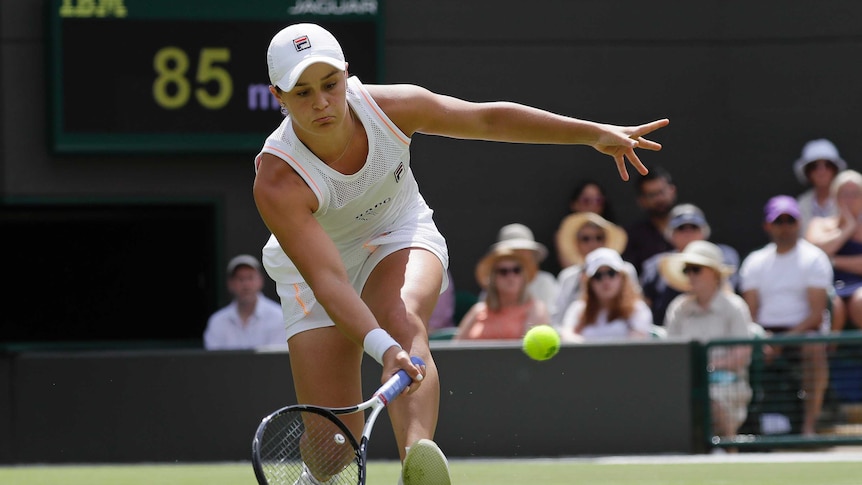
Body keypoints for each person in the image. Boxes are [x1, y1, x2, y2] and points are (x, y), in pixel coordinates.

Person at [252, 22, 668, 484]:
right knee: (332, 456)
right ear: (278, 97)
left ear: (348, 75)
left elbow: (486, 119)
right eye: (302, 92)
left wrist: (590, 133)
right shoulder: (277, 180)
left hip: (397, 232)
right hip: (313, 274)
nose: (322, 102)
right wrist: (381, 349)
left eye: (330, 84)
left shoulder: (391, 108)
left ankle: (419, 465)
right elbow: (328, 280)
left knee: (401, 317)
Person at [740, 195, 833, 436]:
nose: (784, 226)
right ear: (767, 226)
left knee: (814, 349)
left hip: (802, 334)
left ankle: (808, 427)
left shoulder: (814, 259)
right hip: (764, 334)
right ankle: (744, 427)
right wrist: (764, 339)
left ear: (799, 223)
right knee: (739, 352)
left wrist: (782, 342)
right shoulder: (754, 261)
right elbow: (750, 314)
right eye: (778, 221)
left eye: (789, 220)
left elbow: (816, 315)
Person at [660, 240, 755, 449]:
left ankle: (730, 453)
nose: (691, 275)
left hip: (729, 386)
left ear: (714, 274)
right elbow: (671, 355)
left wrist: (708, 368)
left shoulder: (735, 307)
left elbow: (741, 355)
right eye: (687, 270)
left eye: (696, 269)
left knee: (710, 401)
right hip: (686, 384)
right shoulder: (678, 309)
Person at [640, 203, 740, 326]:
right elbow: (645, 307)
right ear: (670, 235)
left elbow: (729, 294)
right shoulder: (656, 265)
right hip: (668, 332)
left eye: (694, 227)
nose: (688, 232)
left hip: (715, 328)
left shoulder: (723, 255)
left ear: (704, 232)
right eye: (681, 228)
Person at [551, 212, 634, 325]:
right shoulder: (568, 277)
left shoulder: (626, 270)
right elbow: (558, 320)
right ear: (577, 243)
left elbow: (635, 309)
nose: (593, 243)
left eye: (599, 237)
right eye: (586, 239)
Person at [558, 247, 653, 342]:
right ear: (589, 282)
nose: (606, 281)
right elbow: (567, 335)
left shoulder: (637, 309)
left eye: (611, 273)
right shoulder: (578, 309)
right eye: (598, 276)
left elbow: (637, 344)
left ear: (622, 277)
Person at [807, 169, 862, 332]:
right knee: (833, 305)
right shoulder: (818, 224)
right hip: (827, 285)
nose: (849, 199)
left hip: (859, 286)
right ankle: (831, 354)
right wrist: (848, 228)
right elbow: (812, 253)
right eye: (844, 194)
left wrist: (832, 261)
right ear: (835, 197)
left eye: (855, 194)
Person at [455, 246, 549, 340]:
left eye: (516, 270)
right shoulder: (478, 310)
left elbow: (527, 350)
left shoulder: (535, 309)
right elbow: (456, 346)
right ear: (493, 278)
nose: (511, 276)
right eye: (503, 271)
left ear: (523, 276)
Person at [203, 254, 287, 350]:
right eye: (240, 279)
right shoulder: (217, 322)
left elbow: (277, 359)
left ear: (260, 281)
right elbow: (214, 361)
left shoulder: (278, 317)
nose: (246, 285)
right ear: (230, 284)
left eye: (250, 278)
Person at [486, 223, 559, 313]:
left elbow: (549, 317)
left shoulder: (545, 281)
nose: (511, 276)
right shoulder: (491, 284)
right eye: (514, 252)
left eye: (524, 251)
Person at [622, 166, 677, 276]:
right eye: (652, 195)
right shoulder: (633, 236)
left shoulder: (689, 226)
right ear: (642, 201)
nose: (659, 199)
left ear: (672, 191)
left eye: (661, 192)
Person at [794, 138, 847, 233]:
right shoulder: (801, 204)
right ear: (807, 172)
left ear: (835, 170)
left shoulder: (849, 199)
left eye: (828, 165)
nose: (821, 172)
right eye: (814, 166)